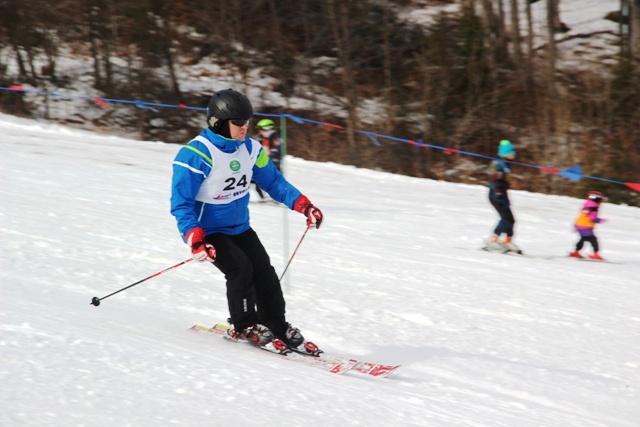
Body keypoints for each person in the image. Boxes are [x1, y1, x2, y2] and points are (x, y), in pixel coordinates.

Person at [170, 88, 324, 352]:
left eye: (247, 122)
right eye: (238, 123)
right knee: (240, 269)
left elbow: (274, 182)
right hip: (209, 232)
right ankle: (245, 325)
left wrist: (303, 205)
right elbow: (181, 203)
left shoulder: (251, 150)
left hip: (240, 228)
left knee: (265, 272)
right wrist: (194, 238)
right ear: (217, 122)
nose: (244, 128)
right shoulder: (195, 155)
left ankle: (275, 324)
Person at [485, 140, 520, 253]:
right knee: (505, 218)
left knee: (511, 219)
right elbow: (495, 178)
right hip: (496, 195)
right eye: (511, 153)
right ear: (505, 154)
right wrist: (501, 188)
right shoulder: (498, 164)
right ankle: (493, 240)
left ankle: (507, 241)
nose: (513, 155)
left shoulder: (504, 163)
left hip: (502, 195)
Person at [569, 191, 606, 260]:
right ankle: (595, 253)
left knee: (583, 238)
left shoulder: (587, 205)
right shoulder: (594, 207)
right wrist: (600, 220)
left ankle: (576, 252)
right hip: (586, 226)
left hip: (579, 224)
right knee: (593, 240)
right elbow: (592, 218)